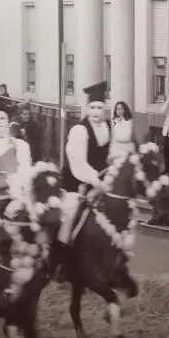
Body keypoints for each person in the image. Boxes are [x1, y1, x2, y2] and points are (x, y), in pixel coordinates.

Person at [58, 81, 111, 250]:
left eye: (99, 108)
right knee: (71, 214)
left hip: (102, 184)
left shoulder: (109, 127)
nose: (96, 112)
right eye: (93, 107)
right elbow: (77, 162)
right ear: (88, 108)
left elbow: (114, 155)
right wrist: (95, 180)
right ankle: (61, 256)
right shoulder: (80, 131)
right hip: (78, 182)